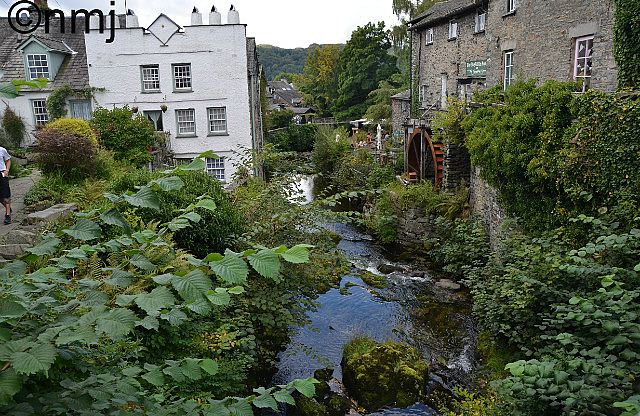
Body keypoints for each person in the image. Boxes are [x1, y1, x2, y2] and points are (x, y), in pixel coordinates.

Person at [0, 146, 11, 224]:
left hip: (2, 174)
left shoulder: (2, 150)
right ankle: (8, 208)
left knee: (5, 194)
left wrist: (7, 170)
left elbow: (8, 160)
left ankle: (8, 215)